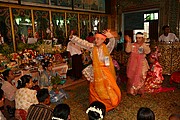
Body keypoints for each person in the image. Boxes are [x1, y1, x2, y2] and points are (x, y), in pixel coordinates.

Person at [69, 29, 121, 111]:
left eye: (98, 39)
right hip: (95, 72)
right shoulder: (92, 47)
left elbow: (112, 43)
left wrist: (110, 36)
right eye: (95, 38)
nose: (95, 40)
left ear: (103, 40)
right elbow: (83, 43)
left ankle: (108, 103)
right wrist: (73, 38)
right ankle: (96, 103)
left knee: (107, 88)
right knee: (94, 89)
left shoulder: (107, 48)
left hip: (104, 72)